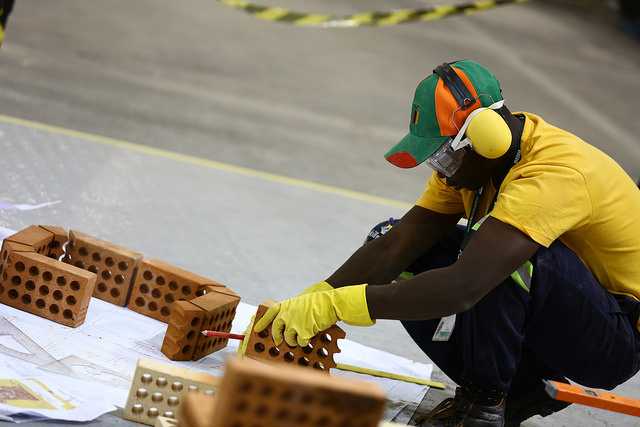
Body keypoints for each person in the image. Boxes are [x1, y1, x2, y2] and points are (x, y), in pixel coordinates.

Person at [253, 60, 640, 426]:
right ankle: (522, 390)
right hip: (559, 311)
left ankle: (483, 405)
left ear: (486, 138)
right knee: (390, 238)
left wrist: (341, 304)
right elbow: (397, 245)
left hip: (615, 338)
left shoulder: (555, 173)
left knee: (505, 262)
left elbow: (464, 287)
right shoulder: (474, 165)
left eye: (443, 157)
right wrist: (316, 297)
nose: (442, 173)